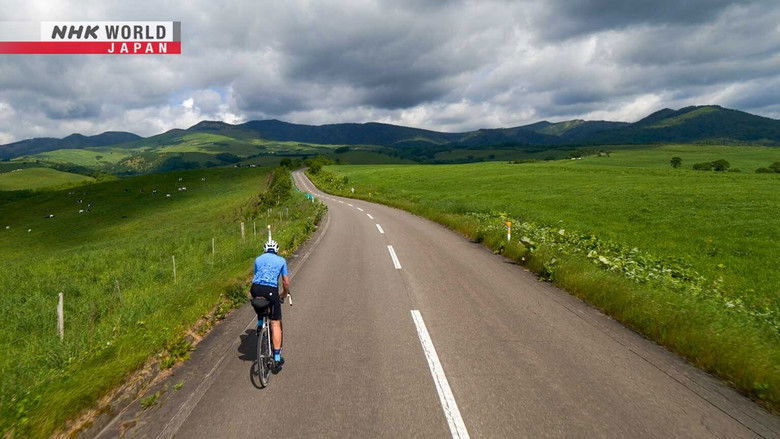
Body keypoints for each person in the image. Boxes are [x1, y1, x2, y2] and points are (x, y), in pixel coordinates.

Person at [251, 239, 290, 366]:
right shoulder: (281, 260)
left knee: (260, 301)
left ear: (265, 250)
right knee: (275, 323)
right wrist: (284, 293)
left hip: (255, 288)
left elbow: (257, 275)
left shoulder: (258, 259)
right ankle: (277, 357)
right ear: (276, 250)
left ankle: (260, 323)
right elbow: (285, 282)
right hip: (271, 290)